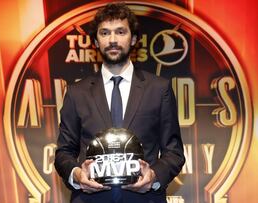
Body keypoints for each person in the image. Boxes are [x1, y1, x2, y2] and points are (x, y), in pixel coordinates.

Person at [54, 2, 185, 203]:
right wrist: (77, 175)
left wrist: (154, 177)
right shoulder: (76, 93)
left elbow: (173, 153)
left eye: (120, 32)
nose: (112, 40)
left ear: (133, 39)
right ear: (96, 42)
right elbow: (64, 152)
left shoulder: (159, 89)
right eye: (105, 33)